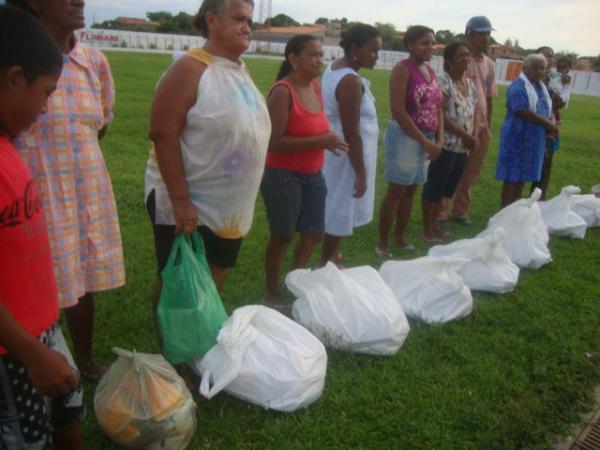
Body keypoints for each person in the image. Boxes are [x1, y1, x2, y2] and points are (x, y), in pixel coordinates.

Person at [8, 0, 125, 381]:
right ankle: (31, 356)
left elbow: (101, 122)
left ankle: (84, 359)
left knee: (83, 274)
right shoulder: (13, 57)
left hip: (83, 187)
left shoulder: (93, 62)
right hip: (33, 192)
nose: (80, 1)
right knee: (34, 277)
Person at [145, 0, 270, 306]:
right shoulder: (189, 68)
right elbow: (163, 135)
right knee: (179, 279)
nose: (246, 27)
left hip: (227, 209)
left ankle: (199, 341)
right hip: (189, 204)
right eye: (238, 18)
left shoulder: (239, 70)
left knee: (213, 275)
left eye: (249, 21)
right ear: (211, 20)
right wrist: (182, 203)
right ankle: (175, 350)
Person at [0, 6, 84, 449]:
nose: (46, 107)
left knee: (67, 406)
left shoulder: (9, 142)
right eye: (46, 92)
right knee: (25, 437)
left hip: (41, 329)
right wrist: (31, 355)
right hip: (12, 351)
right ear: (14, 79)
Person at [261, 35, 347, 307]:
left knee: (313, 233)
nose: (319, 60)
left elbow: (313, 127)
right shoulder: (282, 92)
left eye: (321, 54)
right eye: (312, 55)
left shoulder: (315, 87)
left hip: (313, 173)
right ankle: (271, 293)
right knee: (283, 234)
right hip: (282, 174)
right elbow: (273, 142)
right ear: (293, 59)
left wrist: (327, 140)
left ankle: (293, 282)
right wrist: (319, 141)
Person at [319, 24, 382, 266]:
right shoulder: (350, 81)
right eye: (373, 50)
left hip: (343, 151)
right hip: (347, 155)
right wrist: (361, 173)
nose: (376, 56)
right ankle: (326, 262)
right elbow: (352, 133)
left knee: (337, 202)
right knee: (340, 207)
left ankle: (331, 255)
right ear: (355, 49)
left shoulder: (336, 68)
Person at [377, 25, 443, 256]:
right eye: (425, 42)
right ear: (410, 45)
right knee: (396, 191)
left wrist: (438, 139)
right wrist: (425, 143)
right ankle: (383, 243)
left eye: (433, 42)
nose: (430, 47)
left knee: (411, 192)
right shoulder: (402, 70)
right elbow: (398, 110)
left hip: (427, 138)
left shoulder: (430, 71)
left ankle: (400, 237)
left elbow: (438, 107)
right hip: (406, 137)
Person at [441, 16, 498, 226]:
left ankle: (460, 211)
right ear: (469, 34)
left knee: (471, 172)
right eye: (481, 34)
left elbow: (489, 96)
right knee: (452, 169)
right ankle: (441, 212)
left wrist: (487, 125)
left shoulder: (489, 64)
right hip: (460, 125)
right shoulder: (460, 58)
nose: (485, 38)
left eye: (487, 34)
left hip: (481, 126)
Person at [421, 42, 478, 241]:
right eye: (461, 55)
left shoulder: (470, 84)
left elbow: (472, 112)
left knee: (446, 189)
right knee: (434, 188)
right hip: (445, 144)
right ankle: (427, 229)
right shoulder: (443, 82)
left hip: (463, 148)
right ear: (448, 60)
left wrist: (473, 136)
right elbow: (440, 114)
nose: (466, 59)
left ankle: (435, 224)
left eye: (467, 56)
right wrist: (465, 136)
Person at [496, 54, 559, 207]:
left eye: (542, 68)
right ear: (525, 69)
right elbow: (521, 110)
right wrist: (547, 123)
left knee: (523, 175)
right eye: (535, 68)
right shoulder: (518, 86)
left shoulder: (541, 87)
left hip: (534, 140)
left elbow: (547, 108)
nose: (539, 72)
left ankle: (515, 208)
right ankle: (505, 211)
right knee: (512, 175)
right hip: (517, 138)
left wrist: (552, 120)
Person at [529, 46, 566, 200]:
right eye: (545, 55)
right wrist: (555, 104)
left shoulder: (551, 79)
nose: (549, 59)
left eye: (551, 56)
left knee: (546, 164)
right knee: (532, 163)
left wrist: (556, 111)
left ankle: (539, 197)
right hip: (535, 127)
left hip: (550, 128)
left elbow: (556, 101)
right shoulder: (531, 79)